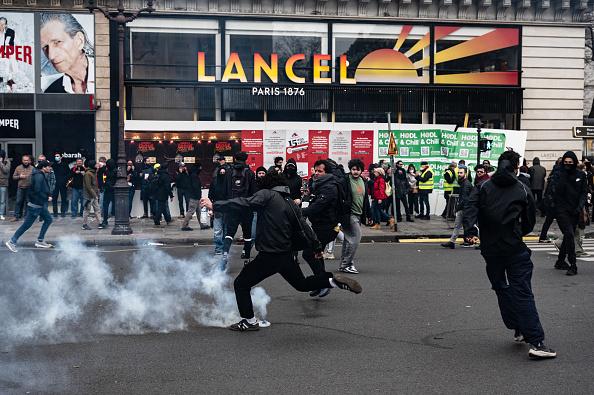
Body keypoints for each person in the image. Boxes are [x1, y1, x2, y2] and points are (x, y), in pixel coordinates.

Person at [200, 171, 362, 331]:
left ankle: (249, 321)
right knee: (302, 284)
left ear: (267, 184)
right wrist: (317, 247)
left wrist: (215, 205)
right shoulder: (289, 202)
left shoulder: (267, 195)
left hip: (270, 253)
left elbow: (245, 203)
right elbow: (304, 227)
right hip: (285, 253)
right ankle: (332, 281)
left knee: (241, 284)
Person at [463, 150, 556, 360]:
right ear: (516, 167)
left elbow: (469, 206)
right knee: (522, 291)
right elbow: (530, 220)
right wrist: (517, 232)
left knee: (500, 287)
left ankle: (517, 326)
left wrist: (471, 231)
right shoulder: (521, 188)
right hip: (514, 247)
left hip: (490, 248)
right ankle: (536, 341)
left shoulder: (484, 186)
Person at [301, 159, 340, 298]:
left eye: (320, 171)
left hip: (327, 227)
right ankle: (321, 283)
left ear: (327, 172)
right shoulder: (318, 184)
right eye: (315, 170)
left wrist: (300, 212)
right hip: (320, 225)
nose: (316, 173)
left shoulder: (329, 187)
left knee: (308, 253)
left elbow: (318, 206)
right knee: (316, 253)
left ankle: (323, 283)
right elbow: (312, 201)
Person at [544, 151, 587, 276]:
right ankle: (573, 264)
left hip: (575, 210)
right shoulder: (558, 174)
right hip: (561, 210)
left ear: (574, 163)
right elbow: (552, 192)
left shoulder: (581, 175)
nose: (568, 164)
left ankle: (560, 261)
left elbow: (583, 192)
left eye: (570, 162)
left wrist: (580, 207)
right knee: (569, 234)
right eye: (565, 162)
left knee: (569, 235)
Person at [5, 160, 55, 253]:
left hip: (39, 204)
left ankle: (40, 241)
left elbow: (43, 188)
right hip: (35, 205)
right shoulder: (39, 176)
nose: (50, 168)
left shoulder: (39, 174)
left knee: (48, 219)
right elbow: (37, 190)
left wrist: (48, 194)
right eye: (48, 166)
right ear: (43, 168)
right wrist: (46, 197)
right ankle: (12, 241)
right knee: (26, 225)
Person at [40, 13, 94, 94]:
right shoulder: (51, 91)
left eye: (57, 42)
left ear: (79, 41)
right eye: (45, 47)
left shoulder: (110, 73)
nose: (51, 56)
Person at [221, 151, 256, 266]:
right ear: (246, 159)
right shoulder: (250, 173)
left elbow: (225, 191)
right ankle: (246, 256)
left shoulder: (228, 172)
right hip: (246, 207)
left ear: (235, 158)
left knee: (229, 233)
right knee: (247, 234)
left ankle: (225, 252)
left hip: (232, 207)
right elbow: (253, 192)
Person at [339, 158, 370, 274]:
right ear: (350, 169)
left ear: (361, 170)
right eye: (353, 169)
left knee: (348, 240)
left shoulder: (363, 181)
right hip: (349, 214)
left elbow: (365, 199)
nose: (355, 172)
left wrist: (369, 214)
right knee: (356, 238)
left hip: (359, 214)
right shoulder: (345, 180)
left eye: (358, 170)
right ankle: (347, 264)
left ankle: (344, 264)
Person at [441, 166, 472, 249]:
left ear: (465, 173)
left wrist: (458, 208)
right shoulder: (463, 183)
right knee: (457, 225)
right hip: (464, 208)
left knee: (466, 225)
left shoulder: (465, 184)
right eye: (458, 172)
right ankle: (452, 241)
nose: (459, 174)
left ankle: (468, 241)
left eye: (461, 173)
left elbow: (465, 199)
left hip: (464, 208)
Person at [208, 164, 228, 256]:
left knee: (226, 230)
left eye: (224, 172)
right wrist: (211, 208)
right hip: (218, 209)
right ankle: (219, 249)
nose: (222, 174)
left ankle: (224, 249)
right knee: (218, 231)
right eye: (221, 172)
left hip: (227, 209)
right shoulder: (215, 182)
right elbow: (210, 196)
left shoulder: (229, 182)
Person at [181, 163, 203, 231]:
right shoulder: (194, 176)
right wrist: (198, 195)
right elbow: (195, 187)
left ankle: (202, 224)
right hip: (194, 196)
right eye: (199, 168)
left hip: (195, 196)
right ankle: (184, 225)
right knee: (191, 211)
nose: (200, 169)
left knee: (199, 211)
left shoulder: (192, 175)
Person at [81, 159, 102, 230]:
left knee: (97, 209)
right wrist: (94, 195)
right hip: (89, 196)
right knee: (87, 210)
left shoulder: (93, 172)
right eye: (96, 164)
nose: (97, 165)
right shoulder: (88, 174)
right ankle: (84, 224)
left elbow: (94, 185)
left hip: (94, 195)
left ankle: (100, 223)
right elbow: (88, 186)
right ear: (93, 165)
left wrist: (96, 194)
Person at [12, 154, 33, 221]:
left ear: (29, 161)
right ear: (22, 160)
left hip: (29, 188)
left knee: (28, 202)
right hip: (20, 187)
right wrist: (19, 176)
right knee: (18, 202)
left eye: (27, 160)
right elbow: (13, 177)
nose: (26, 161)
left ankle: (26, 216)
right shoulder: (18, 168)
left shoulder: (32, 168)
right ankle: (16, 216)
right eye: (24, 160)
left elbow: (35, 177)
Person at [98, 158, 116, 229]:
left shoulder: (107, 170)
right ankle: (105, 220)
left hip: (110, 190)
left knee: (106, 205)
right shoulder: (108, 169)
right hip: (110, 190)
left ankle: (105, 220)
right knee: (106, 205)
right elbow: (100, 176)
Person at [51, 153, 69, 217]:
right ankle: (55, 213)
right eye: (55, 156)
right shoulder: (53, 165)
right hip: (54, 184)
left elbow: (68, 174)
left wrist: (64, 180)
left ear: (61, 157)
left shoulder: (64, 164)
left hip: (63, 184)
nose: (56, 157)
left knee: (63, 198)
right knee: (54, 199)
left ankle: (63, 212)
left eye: (58, 156)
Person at [0, 149, 11, 220]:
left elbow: (6, 170)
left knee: (2, 200)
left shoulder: (7, 161)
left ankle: (1, 214)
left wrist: (0, 163)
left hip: (3, 183)